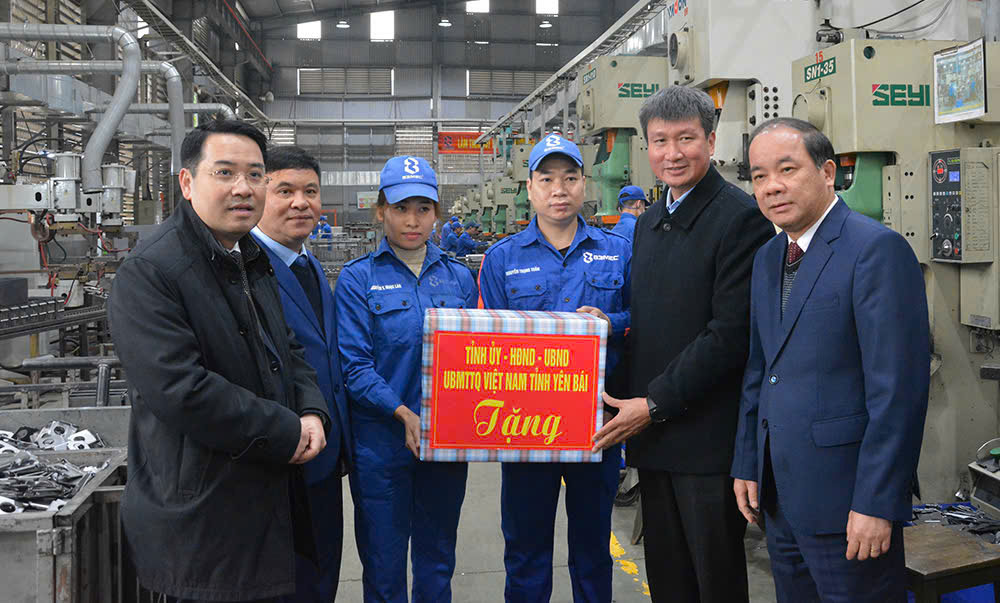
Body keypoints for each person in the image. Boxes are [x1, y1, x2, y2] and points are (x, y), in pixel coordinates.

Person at [108, 119, 330, 602]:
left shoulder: (249, 257)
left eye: (254, 175)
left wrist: (311, 408)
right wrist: (285, 430)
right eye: (225, 173)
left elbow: (286, 348)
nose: (243, 188)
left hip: (265, 499)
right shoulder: (151, 272)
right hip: (204, 514)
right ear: (188, 183)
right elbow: (181, 391)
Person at [732, 117, 929, 602]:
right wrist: (746, 462)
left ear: (827, 172)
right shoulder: (768, 258)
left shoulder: (875, 250)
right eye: (759, 176)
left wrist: (877, 503)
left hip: (848, 505)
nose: (772, 186)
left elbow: (898, 392)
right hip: (779, 499)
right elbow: (761, 370)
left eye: (787, 169)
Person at [593, 86, 774, 603]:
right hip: (653, 438)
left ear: (711, 141)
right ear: (646, 148)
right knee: (669, 579)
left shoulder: (741, 218)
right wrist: (607, 327)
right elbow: (653, 321)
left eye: (686, 138)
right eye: (659, 141)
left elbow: (730, 334)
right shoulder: (649, 222)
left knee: (713, 578)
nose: (672, 153)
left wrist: (652, 404)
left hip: (706, 442)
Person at [479, 134, 631, 603]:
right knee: (525, 551)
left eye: (569, 178)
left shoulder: (620, 250)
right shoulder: (502, 259)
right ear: (530, 187)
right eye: (547, 179)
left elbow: (645, 319)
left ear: (585, 184)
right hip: (525, 430)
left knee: (592, 551)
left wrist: (613, 321)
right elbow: (487, 345)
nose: (558, 189)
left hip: (598, 427)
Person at [335, 155, 478, 603]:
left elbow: (478, 358)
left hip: (446, 442)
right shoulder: (359, 280)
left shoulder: (458, 277)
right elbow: (354, 367)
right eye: (400, 209)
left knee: (438, 559)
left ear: (437, 213)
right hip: (382, 446)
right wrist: (402, 414)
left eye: (423, 209)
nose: (412, 221)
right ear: (380, 211)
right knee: (383, 562)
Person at [251, 145, 351, 603]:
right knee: (285, 580)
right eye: (285, 190)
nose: (300, 202)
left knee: (321, 572)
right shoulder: (245, 269)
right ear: (259, 194)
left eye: (310, 191)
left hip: (325, 456)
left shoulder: (309, 265)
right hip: (280, 459)